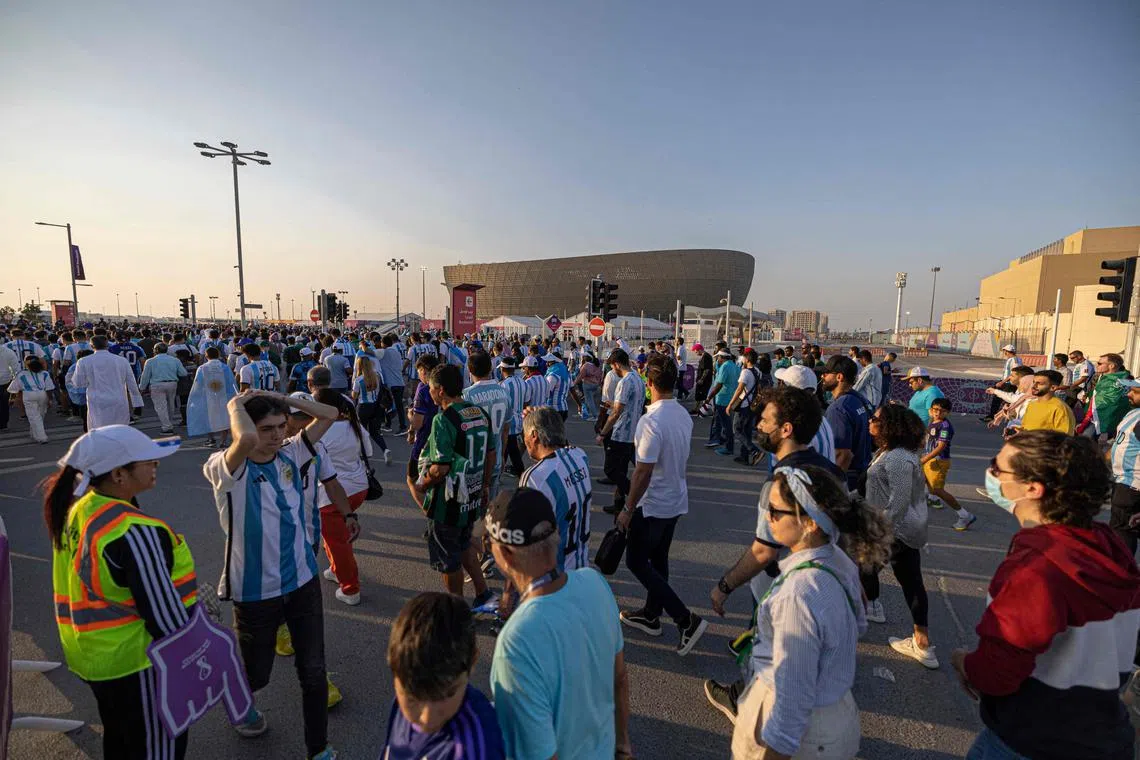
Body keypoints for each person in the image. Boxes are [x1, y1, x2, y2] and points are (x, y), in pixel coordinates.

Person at [955, 431, 1140, 760]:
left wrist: (966, 665)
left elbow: (998, 671)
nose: (992, 475)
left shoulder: (1038, 567)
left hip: (1031, 741)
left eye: (997, 469)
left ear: (1033, 488)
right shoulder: (1108, 547)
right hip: (1102, 735)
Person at [203, 391, 355, 760]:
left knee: (314, 672)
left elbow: (331, 413)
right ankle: (240, 700)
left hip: (302, 582)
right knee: (257, 675)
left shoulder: (291, 452)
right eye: (266, 428)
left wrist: (281, 397)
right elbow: (246, 441)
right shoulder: (227, 468)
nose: (275, 435)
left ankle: (318, 749)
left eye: (280, 426)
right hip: (255, 592)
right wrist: (233, 404)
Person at [45, 425, 193, 759]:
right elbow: (167, 621)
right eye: (147, 461)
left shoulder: (79, 509)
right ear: (118, 475)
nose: (156, 465)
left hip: (93, 655)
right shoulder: (133, 530)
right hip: (136, 661)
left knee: (120, 738)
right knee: (157, 749)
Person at [730, 466, 889, 760]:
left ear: (810, 523)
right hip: (835, 711)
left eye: (776, 511)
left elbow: (791, 702)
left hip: (805, 734)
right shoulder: (839, 560)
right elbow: (860, 624)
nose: (768, 517)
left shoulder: (798, 594)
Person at [486, 488, 631, 759]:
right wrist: (622, 746)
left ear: (505, 555)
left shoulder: (516, 641)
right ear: (557, 536)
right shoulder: (595, 583)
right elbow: (619, 677)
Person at [615, 355, 708, 655]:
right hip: (675, 499)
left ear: (649, 383)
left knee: (636, 562)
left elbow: (642, 471)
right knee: (659, 559)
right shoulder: (681, 413)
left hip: (652, 503)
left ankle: (685, 619)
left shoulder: (650, 420)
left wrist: (627, 510)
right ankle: (652, 615)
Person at [381, 592, 505, 759]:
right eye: (412, 698)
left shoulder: (477, 747)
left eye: (446, 694)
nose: (427, 718)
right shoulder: (404, 691)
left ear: (473, 660)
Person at [412, 364, 496, 607]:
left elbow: (441, 467)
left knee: (448, 558)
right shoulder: (479, 412)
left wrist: (423, 484)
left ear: (440, 390)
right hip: (472, 491)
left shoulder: (444, 419)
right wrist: (485, 484)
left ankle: (457, 608)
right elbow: (491, 453)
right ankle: (483, 594)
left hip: (448, 499)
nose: (429, 393)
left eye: (430, 388)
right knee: (465, 542)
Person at [862, 405, 938, 668]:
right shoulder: (896, 452)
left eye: (875, 418)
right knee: (911, 581)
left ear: (889, 425)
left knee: (856, 570)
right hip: (903, 530)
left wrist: (876, 534)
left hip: (895, 531)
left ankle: (861, 616)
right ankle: (922, 642)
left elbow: (899, 504)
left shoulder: (896, 458)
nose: (870, 420)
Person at [312, 389, 370, 607]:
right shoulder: (353, 424)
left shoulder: (319, 431)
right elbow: (369, 452)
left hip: (333, 495)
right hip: (359, 487)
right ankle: (337, 570)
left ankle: (350, 588)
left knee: (338, 543)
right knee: (336, 537)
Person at [519, 406, 592, 570]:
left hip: (554, 576)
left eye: (524, 435)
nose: (524, 439)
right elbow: (562, 450)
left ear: (534, 436)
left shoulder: (535, 477)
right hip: (581, 565)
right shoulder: (580, 456)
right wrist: (548, 419)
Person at [596, 349, 645, 514]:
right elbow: (630, 405)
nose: (612, 370)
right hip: (633, 432)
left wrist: (603, 433)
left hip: (621, 433)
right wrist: (614, 405)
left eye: (612, 366)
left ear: (616, 364)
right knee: (622, 469)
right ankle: (619, 504)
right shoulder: (638, 378)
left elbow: (616, 413)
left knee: (610, 469)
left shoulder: (625, 382)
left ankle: (635, 495)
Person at [920, 397, 977, 531]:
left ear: (948, 413)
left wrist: (925, 458)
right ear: (931, 410)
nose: (938, 413)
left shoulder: (945, 426)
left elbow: (940, 447)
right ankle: (928, 501)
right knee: (919, 481)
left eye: (942, 411)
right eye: (935, 409)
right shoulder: (933, 421)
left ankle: (964, 515)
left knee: (938, 490)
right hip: (929, 459)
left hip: (938, 462)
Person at [820, 356, 874, 490]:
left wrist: (831, 488)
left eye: (827, 373)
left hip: (848, 478)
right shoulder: (859, 399)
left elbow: (842, 455)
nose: (822, 376)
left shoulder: (838, 408)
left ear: (839, 377)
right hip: (862, 473)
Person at [71, 335, 144, 429]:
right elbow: (132, 383)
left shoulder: (83, 361)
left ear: (91, 346)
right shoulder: (122, 360)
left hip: (97, 401)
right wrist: (137, 403)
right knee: (120, 429)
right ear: (107, 345)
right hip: (119, 398)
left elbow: (78, 383)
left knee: (99, 429)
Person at [1109, 378, 1140, 555]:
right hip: (1122, 481)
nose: (1128, 394)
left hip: (1132, 484)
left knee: (1122, 533)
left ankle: (1121, 573)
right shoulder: (1133, 413)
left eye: (1135, 392)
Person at [186, 346, 238, 447]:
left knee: (208, 417)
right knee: (224, 417)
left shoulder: (202, 368)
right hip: (223, 396)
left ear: (206, 356)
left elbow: (198, 383)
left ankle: (211, 439)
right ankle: (223, 441)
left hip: (208, 396)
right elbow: (231, 382)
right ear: (218, 355)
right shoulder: (225, 367)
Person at [406, 354, 440, 502]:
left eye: (419, 370)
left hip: (425, 442)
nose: (418, 374)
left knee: (412, 479)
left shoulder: (424, 390)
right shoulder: (443, 386)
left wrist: (410, 420)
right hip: (442, 440)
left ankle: (429, 513)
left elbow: (418, 422)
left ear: (424, 371)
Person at [139, 342, 188, 434]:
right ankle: (169, 423)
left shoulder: (150, 361)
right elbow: (183, 373)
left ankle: (167, 427)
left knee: (160, 406)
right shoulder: (175, 360)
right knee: (171, 405)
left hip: (157, 385)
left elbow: (145, 376)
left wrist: (142, 387)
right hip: (172, 383)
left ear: (155, 350)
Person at [1079, 353, 1131, 439]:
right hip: (1098, 419)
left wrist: (1088, 420)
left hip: (1100, 421)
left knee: (1084, 443)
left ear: (1111, 366)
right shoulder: (1107, 378)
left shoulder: (1114, 382)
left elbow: (1106, 405)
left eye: (1100, 363)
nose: (1096, 365)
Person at [351, 354, 390, 463]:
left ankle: (364, 456)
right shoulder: (377, 376)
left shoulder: (358, 380)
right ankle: (385, 450)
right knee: (375, 432)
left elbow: (354, 396)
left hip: (363, 407)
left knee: (361, 432)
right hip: (375, 406)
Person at [725, 348, 762, 465]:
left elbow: (739, 389)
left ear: (747, 359)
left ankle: (754, 451)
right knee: (746, 431)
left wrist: (730, 404)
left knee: (736, 430)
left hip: (744, 405)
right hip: (752, 405)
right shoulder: (757, 371)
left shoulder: (745, 372)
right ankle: (744, 456)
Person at [7, 354, 55, 443]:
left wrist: (12, 399)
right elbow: (49, 388)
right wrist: (50, 399)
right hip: (42, 394)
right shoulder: (44, 373)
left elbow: (14, 388)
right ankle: (34, 434)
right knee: (40, 415)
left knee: (34, 416)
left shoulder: (21, 373)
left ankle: (42, 437)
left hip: (28, 395)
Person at [1017, 370, 1076, 434]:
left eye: (1039, 383)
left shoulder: (1060, 408)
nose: (1033, 386)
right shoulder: (1032, 404)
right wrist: (1017, 433)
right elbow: (1026, 428)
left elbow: (1065, 437)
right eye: (1033, 382)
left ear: (1053, 388)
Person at [498, 356, 527, 478]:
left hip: (508, 421)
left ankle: (521, 474)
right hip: (519, 419)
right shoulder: (521, 381)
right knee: (508, 448)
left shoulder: (504, 385)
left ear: (503, 369)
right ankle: (502, 472)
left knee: (509, 449)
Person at [710, 349, 741, 454]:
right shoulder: (734, 365)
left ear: (722, 357)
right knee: (726, 423)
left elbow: (718, 385)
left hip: (722, 399)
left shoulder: (725, 366)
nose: (717, 359)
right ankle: (722, 440)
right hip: (730, 398)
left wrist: (709, 398)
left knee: (726, 425)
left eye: (718, 357)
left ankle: (729, 448)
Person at [985, 344, 1023, 422]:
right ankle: (994, 416)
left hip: (1008, 384)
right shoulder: (1017, 359)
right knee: (1001, 399)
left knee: (1003, 400)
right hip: (1008, 383)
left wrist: (1002, 382)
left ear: (1007, 352)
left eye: (1004, 351)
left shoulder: (1014, 360)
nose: (1004, 353)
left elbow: (1014, 373)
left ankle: (994, 417)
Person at [378, 334, 407, 432]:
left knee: (386, 404)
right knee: (399, 407)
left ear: (383, 343)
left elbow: (370, 352)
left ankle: (389, 425)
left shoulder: (384, 352)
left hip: (390, 384)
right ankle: (400, 425)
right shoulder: (396, 352)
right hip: (400, 382)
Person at [542, 349, 571, 421]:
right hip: (564, 408)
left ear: (555, 362)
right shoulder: (566, 373)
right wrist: (579, 404)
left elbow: (546, 393)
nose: (547, 364)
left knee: (550, 431)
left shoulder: (552, 376)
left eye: (549, 362)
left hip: (553, 410)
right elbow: (572, 389)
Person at [0, 339, 19, 432]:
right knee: (4, 403)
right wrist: (16, 380)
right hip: (5, 380)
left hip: (5, 380)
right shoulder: (8, 351)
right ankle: (3, 424)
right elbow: (16, 367)